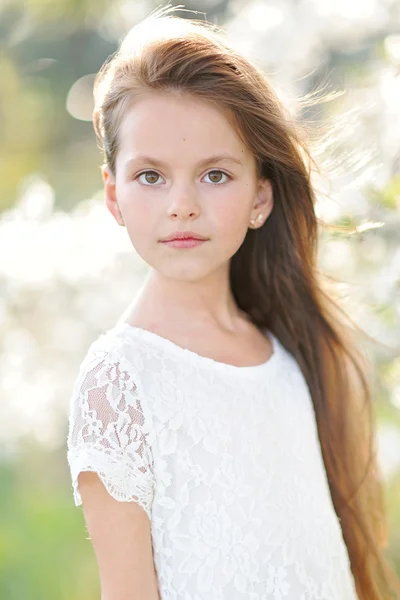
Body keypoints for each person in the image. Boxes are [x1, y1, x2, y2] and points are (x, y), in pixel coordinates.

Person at [66, 5, 400, 600]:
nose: (182, 204)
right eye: (151, 176)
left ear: (260, 198)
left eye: (215, 175)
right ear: (114, 197)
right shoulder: (119, 383)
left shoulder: (290, 354)